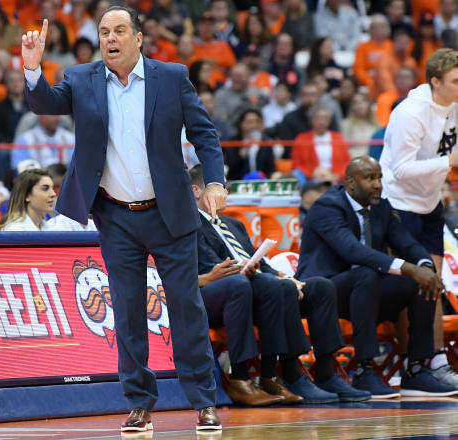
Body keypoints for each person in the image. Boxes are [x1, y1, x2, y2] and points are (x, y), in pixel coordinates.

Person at [21, 6, 226, 431]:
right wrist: (32, 69)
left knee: (187, 309)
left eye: (118, 31)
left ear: (138, 38)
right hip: (116, 216)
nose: (110, 38)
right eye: (103, 32)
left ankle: (204, 401)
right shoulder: (81, 78)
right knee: (128, 313)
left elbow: (204, 132)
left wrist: (215, 182)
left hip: (170, 214)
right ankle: (139, 404)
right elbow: (45, 102)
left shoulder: (171, 77)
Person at [191, 164, 367, 404]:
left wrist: (285, 276)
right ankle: (283, 374)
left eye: (226, 187)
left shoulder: (235, 225)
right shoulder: (191, 225)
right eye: (220, 187)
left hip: (256, 286)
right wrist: (267, 277)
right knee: (273, 286)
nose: (225, 193)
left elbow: (261, 261)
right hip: (220, 291)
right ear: (196, 191)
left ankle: (326, 373)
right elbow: (214, 267)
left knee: (319, 287)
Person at [297, 156, 458, 397]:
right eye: (370, 178)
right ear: (350, 182)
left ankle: (416, 370)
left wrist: (425, 267)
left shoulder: (380, 207)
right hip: (323, 290)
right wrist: (409, 268)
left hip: (365, 290)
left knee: (419, 281)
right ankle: (364, 370)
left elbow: (406, 243)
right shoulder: (327, 207)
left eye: (380, 178)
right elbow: (353, 251)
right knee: (369, 273)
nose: (378, 185)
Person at [380, 48, 458, 387]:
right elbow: (401, 168)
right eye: (456, 81)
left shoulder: (454, 106)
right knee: (410, 284)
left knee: (434, 282)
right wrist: (450, 163)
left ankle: (437, 360)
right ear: (436, 82)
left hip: (429, 203)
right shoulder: (410, 112)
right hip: (398, 203)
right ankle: (414, 366)